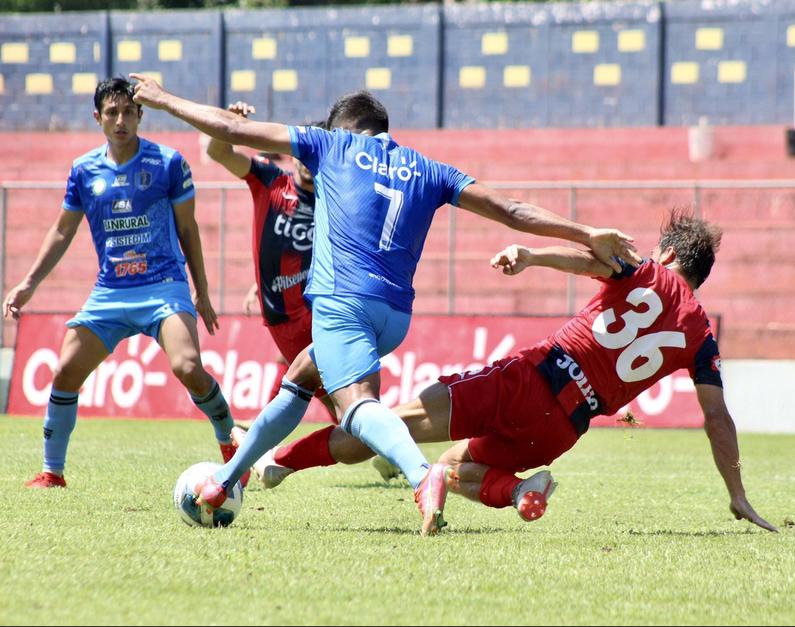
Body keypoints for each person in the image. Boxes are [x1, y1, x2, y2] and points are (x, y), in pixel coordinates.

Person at [130, 76, 640, 535]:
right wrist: (586, 232)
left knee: (355, 407)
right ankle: (224, 479)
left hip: (342, 302)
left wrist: (162, 98)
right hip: (393, 315)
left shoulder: (331, 143)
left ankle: (423, 476)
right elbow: (511, 209)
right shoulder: (430, 168)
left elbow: (227, 127)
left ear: (347, 127)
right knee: (301, 378)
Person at [237, 210, 778, 533]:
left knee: (385, 421)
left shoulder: (647, 270)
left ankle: (278, 464)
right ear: (701, 278)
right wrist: (736, 491)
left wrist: (531, 255)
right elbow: (717, 419)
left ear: (669, 250)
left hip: (533, 377)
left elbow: (592, 261)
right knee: (451, 468)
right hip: (566, 427)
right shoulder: (702, 336)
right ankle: (520, 493)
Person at [3, 77, 238, 488]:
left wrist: (200, 291)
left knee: (188, 367)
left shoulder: (168, 163)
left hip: (164, 285)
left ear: (140, 115)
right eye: (112, 112)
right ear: (98, 118)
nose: (121, 120)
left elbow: (189, 228)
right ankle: (52, 473)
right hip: (110, 292)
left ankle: (229, 442)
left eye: (128, 111)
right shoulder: (83, 170)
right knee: (64, 372)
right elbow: (61, 231)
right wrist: (27, 284)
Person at [204, 102, 334, 418]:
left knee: (323, 386)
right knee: (331, 396)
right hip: (278, 314)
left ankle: (261, 436)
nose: (306, 159)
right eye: (302, 150)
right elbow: (218, 153)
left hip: (316, 311)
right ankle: (377, 442)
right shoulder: (271, 180)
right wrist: (229, 123)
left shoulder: (333, 201)